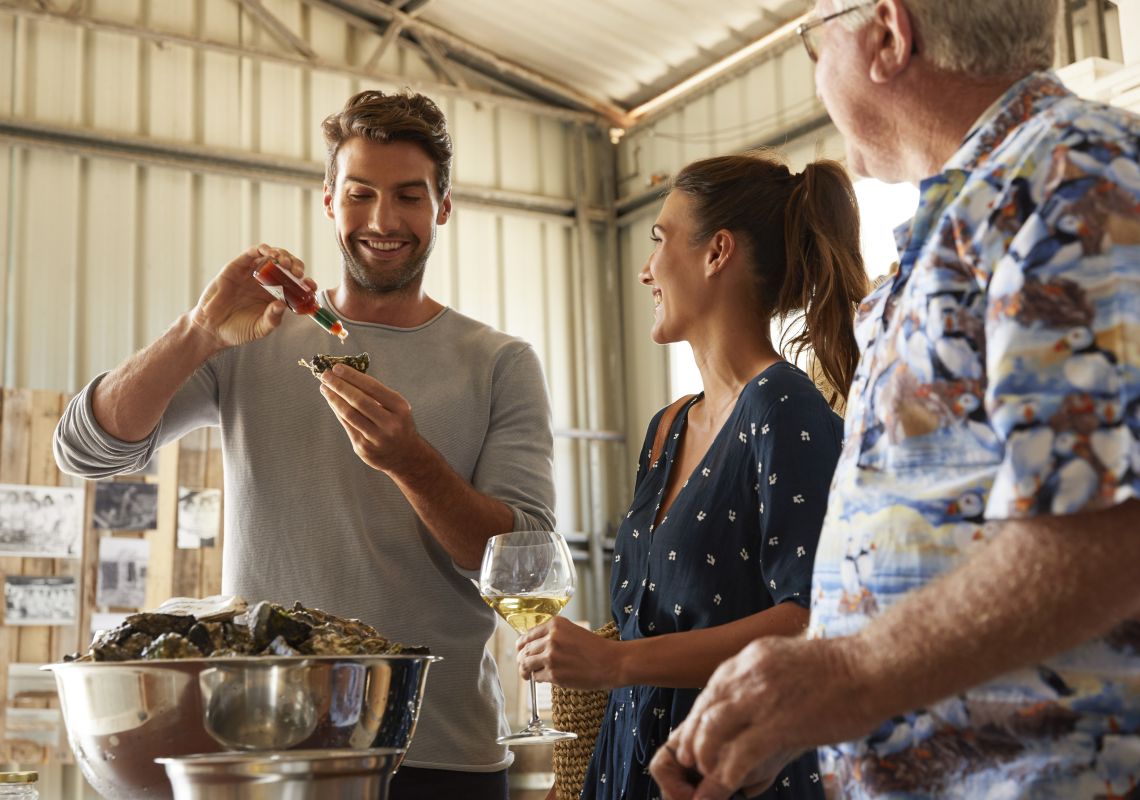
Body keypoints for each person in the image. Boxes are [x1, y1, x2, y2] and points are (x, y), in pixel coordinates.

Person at [651, 2, 1140, 799]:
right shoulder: (981, 207)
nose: (814, 70)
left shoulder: (1074, 177)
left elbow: (1116, 531)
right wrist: (801, 710)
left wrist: (849, 671)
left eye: (817, 39)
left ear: (887, 34)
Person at [53, 89, 556, 800]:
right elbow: (84, 450)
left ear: (443, 206)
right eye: (360, 195)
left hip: (440, 756)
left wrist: (410, 461)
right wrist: (197, 330)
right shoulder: (252, 337)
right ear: (328, 202)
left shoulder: (500, 362)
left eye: (410, 196)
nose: (383, 221)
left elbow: (526, 572)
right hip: (262, 749)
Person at [516, 151, 869, 800]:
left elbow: (811, 618)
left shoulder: (783, 407)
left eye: (659, 240)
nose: (647, 268)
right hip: (630, 765)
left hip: (730, 773)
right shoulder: (668, 427)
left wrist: (616, 662)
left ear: (718, 252)